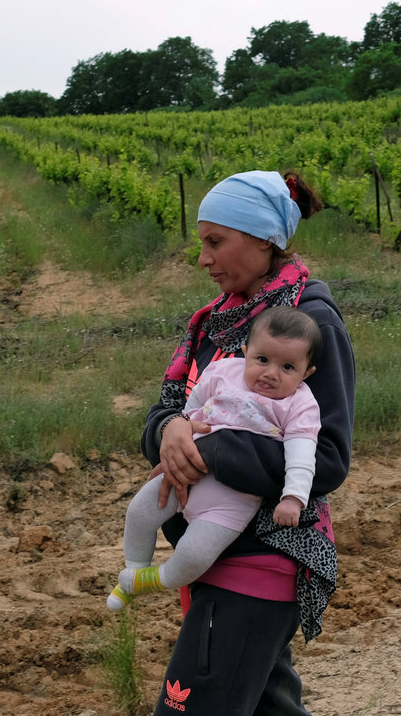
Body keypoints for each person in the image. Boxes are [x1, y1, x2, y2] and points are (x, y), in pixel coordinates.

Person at [141, 169, 355, 716]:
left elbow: (325, 457)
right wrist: (170, 431)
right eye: (201, 243)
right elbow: (171, 407)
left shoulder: (310, 325)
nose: (203, 258)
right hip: (216, 549)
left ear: (262, 239)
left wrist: (207, 451)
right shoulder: (216, 323)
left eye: (216, 241)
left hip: (261, 558)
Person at [107, 306, 323, 611]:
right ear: (246, 352)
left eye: (288, 367)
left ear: (306, 373)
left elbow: (302, 455)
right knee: (139, 512)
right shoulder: (223, 371)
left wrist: (293, 498)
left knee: (194, 556)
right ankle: (133, 568)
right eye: (262, 360)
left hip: (230, 500)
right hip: (184, 470)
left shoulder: (300, 404)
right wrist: (174, 437)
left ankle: (152, 579)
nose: (271, 373)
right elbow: (190, 409)